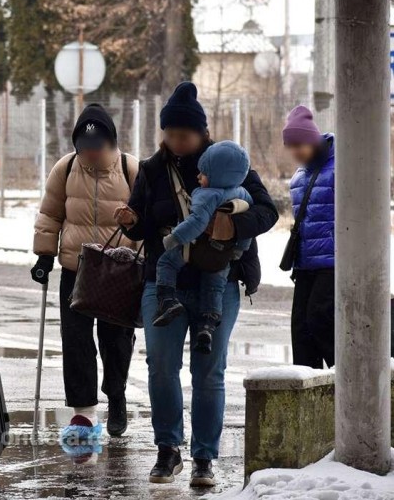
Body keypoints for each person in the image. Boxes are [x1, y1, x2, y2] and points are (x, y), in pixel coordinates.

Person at [114, 82, 278, 487]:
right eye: (168, 134)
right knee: (161, 367)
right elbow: (141, 225)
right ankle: (168, 450)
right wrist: (132, 221)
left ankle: (204, 457)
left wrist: (231, 224)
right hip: (164, 282)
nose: (174, 141)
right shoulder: (152, 170)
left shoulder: (229, 163)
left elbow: (268, 211)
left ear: (202, 133)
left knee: (209, 372)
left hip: (217, 282)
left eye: (182, 135)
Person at [31, 103, 139, 442]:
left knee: (116, 340)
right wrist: (44, 256)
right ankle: (83, 413)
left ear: (111, 143)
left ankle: (116, 394)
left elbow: (147, 219)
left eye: (97, 147)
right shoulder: (64, 169)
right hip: (76, 268)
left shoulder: (131, 169)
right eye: (84, 147)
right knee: (75, 342)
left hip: (119, 270)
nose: (90, 154)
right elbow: (50, 215)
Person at [153, 141, 254, 355]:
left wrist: (173, 239)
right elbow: (248, 228)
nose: (199, 177)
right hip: (223, 256)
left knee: (166, 263)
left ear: (216, 174)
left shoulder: (205, 194)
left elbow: (196, 223)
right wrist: (239, 250)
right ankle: (207, 327)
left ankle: (167, 300)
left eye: (203, 173)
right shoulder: (243, 193)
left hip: (196, 250)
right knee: (214, 287)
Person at [282, 105, 335, 369]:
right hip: (306, 263)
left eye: (300, 143)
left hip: (333, 261)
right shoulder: (299, 176)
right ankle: (308, 387)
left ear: (313, 139)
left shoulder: (340, 166)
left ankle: (346, 376)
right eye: (290, 146)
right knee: (300, 328)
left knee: (319, 317)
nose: (295, 151)